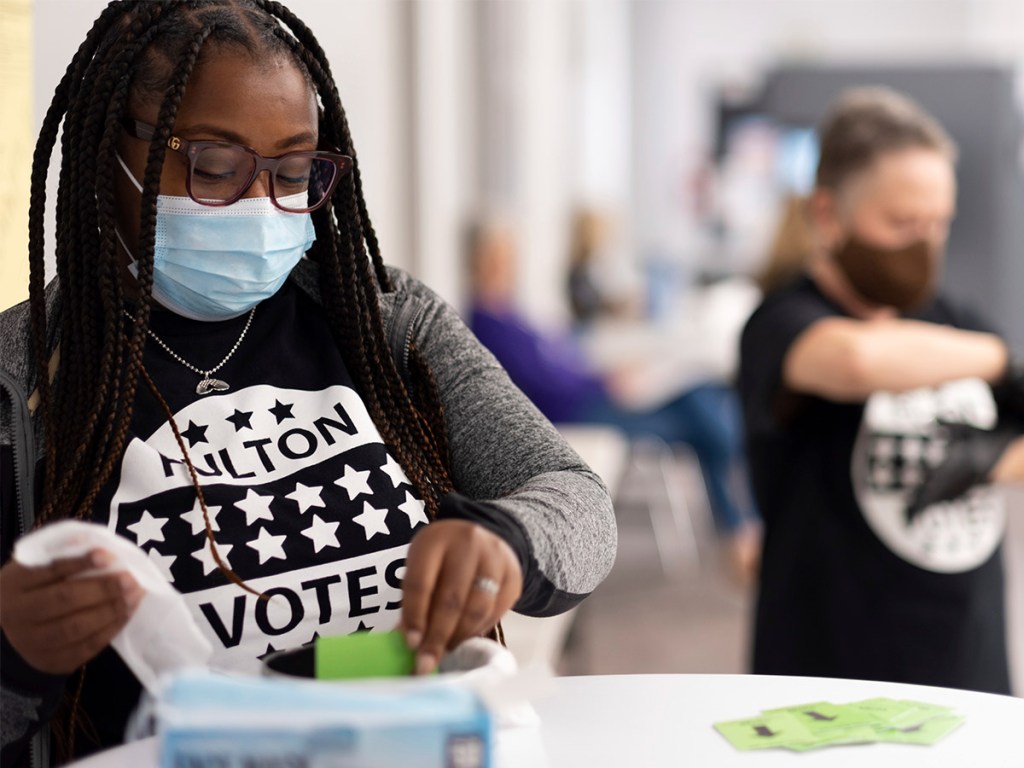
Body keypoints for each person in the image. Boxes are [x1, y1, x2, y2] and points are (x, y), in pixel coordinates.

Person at [0, 2, 616, 765]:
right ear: (110, 159)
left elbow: (576, 499)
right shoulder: (21, 378)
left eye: (294, 172)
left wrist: (507, 541)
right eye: (216, 169)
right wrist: (12, 651)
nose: (261, 208)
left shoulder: (384, 323)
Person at [739, 86, 1024, 694]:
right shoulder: (783, 321)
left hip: (963, 652)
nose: (923, 243)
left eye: (937, 223)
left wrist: (991, 461)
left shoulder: (954, 316)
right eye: (901, 223)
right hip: (830, 668)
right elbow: (858, 360)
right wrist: (1001, 358)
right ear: (827, 215)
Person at [465, 217, 761, 582]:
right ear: (478, 259)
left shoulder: (508, 310)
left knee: (696, 395)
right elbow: (541, 387)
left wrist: (605, 376)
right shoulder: (486, 320)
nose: (507, 262)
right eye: (498, 255)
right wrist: (604, 383)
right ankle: (740, 524)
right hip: (575, 413)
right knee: (701, 418)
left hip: (588, 396)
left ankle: (738, 527)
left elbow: (559, 363)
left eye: (509, 254)